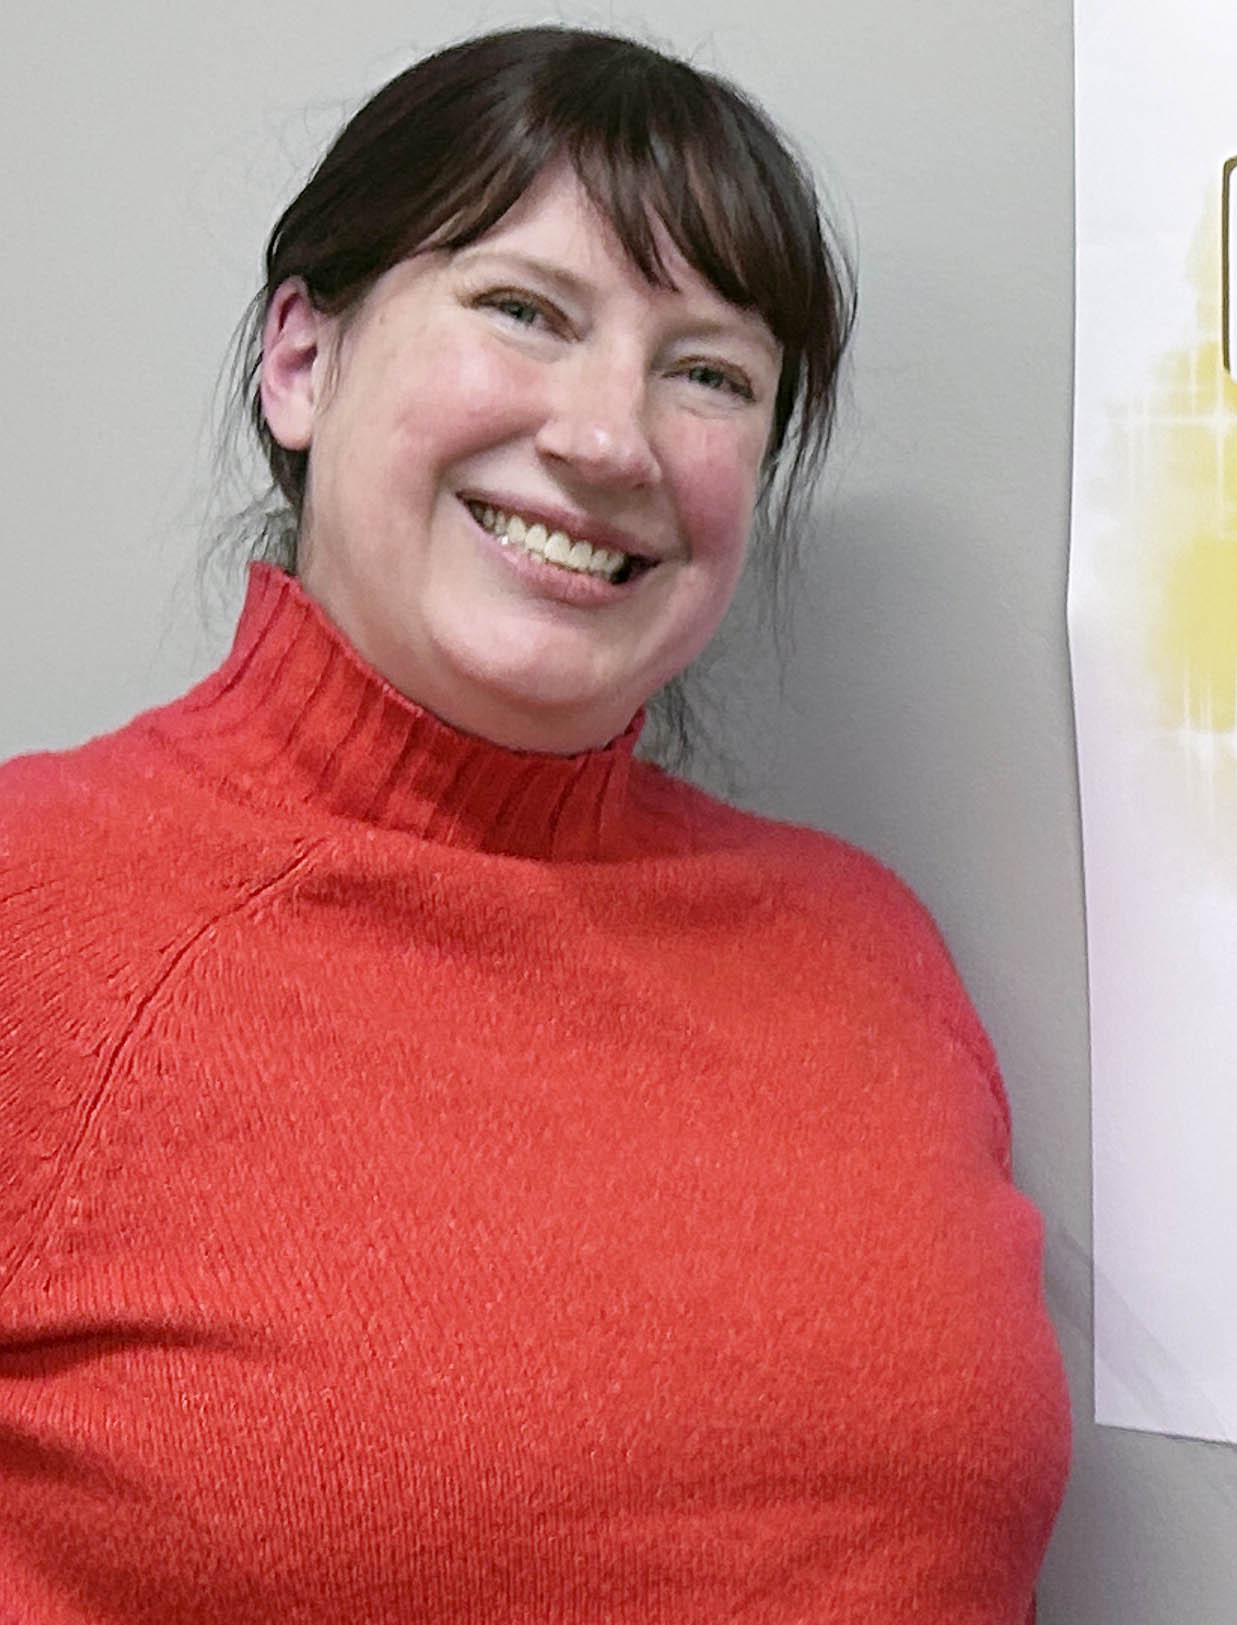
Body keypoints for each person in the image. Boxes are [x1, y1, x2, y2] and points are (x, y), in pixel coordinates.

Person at [0, 29, 1067, 1622]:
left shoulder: (873, 951)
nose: (609, 439)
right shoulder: (39, 911)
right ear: (302, 359)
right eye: (525, 311)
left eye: (708, 372)